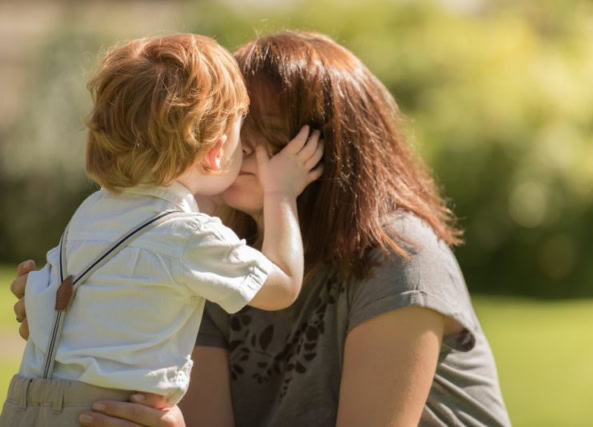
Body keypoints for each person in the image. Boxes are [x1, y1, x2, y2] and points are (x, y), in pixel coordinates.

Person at [11, 31, 511, 426]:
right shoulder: (202, 249)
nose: (235, 146)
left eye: (260, 128)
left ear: (326, 146)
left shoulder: (399, 257)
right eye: (232, 125)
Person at [1, 33, 323, 426]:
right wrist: (281, 192)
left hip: (25, 402)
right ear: (217, 151)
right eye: (243, 137)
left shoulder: (91, 211)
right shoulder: (190, 237)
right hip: (114, 413)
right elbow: (284, 285)